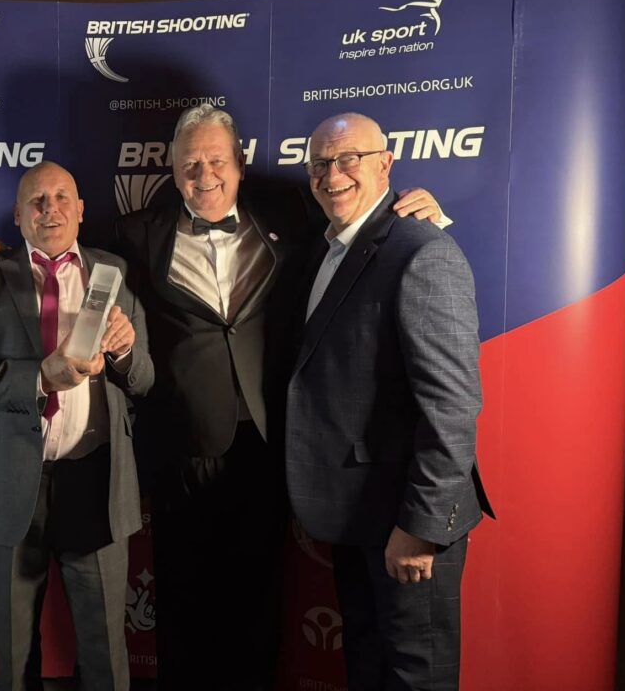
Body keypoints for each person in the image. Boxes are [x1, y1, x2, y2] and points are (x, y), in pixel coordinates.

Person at [110, 104, 443, 690]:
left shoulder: (293, 214)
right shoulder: (139, 233)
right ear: (170, 168)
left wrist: (425, 214)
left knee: (262, 597)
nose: (204, 174)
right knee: (184, 597)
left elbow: (364, 225)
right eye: (190, 164)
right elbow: (62, 249)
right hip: (182, 447)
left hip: (268, 442)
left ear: (240, 163)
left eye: (216, 160)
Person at [285, 112, 492, 691]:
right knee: (370, 666)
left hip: (408, 521)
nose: (333, 175)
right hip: (359, 514)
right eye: (321, 164)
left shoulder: (422, 251)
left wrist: (421, 526)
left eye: (349, 158)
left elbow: (451, 405)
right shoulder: (328, 250)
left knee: (414, 676)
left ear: (385, 164)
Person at [0, 161, 154, 691]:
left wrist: (124, 351)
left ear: (80, 210)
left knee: (105, 649)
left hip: (94, 481)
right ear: (17, 215)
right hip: (7, 483)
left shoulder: (115, 272)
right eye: (36, 200)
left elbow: (144, 381)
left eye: (61, 197)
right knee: (12, 654)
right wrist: (39, 378)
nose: (49, 208)